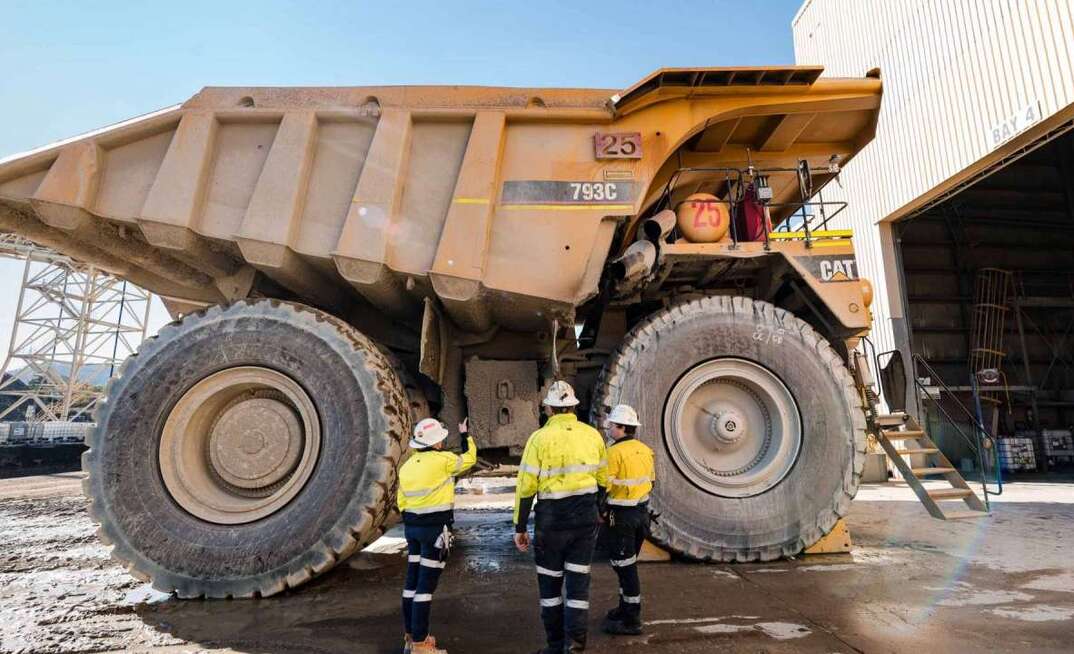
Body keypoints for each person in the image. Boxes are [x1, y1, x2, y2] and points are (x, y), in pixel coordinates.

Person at [513, 380, 608, 654]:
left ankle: (555, 646)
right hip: (584, 520)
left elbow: (526, 487)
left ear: (550, 409)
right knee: (578, 587)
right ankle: (576, 647)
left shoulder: (539, 438)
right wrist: (598, 510)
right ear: (574, 407)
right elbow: (604, 480)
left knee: (550, 588)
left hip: (551, 524)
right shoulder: (592, 435)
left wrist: (519, 527)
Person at [397, 417, 477, 654]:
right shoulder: (444, 461)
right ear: (437, 442)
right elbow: (470, 459)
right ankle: (421, 645)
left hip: (412, 531)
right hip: (434, 532)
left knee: (411, 584)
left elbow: (402, 502)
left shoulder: (407, 466)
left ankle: (411, 639)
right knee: (425, 588)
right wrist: (466, 435)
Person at [600, 404, 655, 636]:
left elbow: (604, 486)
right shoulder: (645, 450)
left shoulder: (613, 453)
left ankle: (632, 619)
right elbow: (651, 482)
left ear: (622, 427)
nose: (609, 429)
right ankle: (624, 608)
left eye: (612, 425)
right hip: (641, 515)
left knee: (626, 568)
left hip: (622, 517)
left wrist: (599, 510)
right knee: (626, 565)